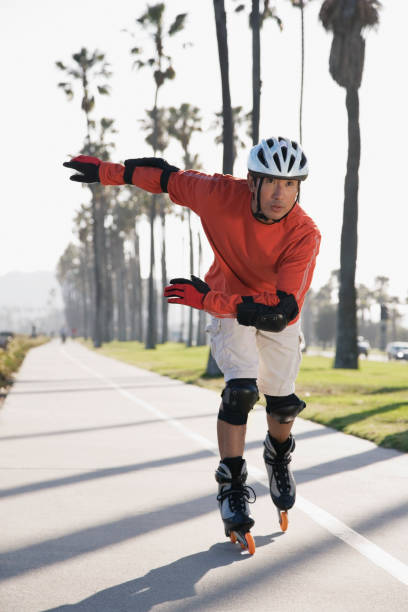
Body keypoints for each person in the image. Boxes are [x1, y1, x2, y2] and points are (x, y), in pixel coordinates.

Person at [63, 136, 321, 550]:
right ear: (251, 181)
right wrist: (107, 173)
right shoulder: (218, 193)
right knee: (240, 393)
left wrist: (207, 300)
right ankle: (232, 483)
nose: (280, 194)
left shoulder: (304, 233)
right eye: (271, 182)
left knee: (283, 402)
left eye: (290, 185)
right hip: (227, 305)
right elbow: (164, 176)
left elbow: (280, 313)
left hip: (269, 311)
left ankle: (278, 456)